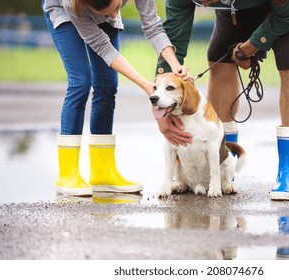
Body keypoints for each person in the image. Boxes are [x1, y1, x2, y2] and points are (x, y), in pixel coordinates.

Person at [156, 0, 289, 200]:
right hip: (237, 8)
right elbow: (173, 39)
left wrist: (252, 46)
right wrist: (162, 110)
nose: (204, 4)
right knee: (219, 54)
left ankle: (288, 170)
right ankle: (225, 164)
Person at [42, 0, 191, 196]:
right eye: (110, 12)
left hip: (93, 7)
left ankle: (102, 172)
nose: (114, 17)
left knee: (107, 85)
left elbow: (153, 26)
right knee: (80, 81)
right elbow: (104, 48)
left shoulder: (111, 11)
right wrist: (146, 85)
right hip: (64, 10)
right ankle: (67, 174)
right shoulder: (72, 4)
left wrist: (174, 63)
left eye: (116, 8)